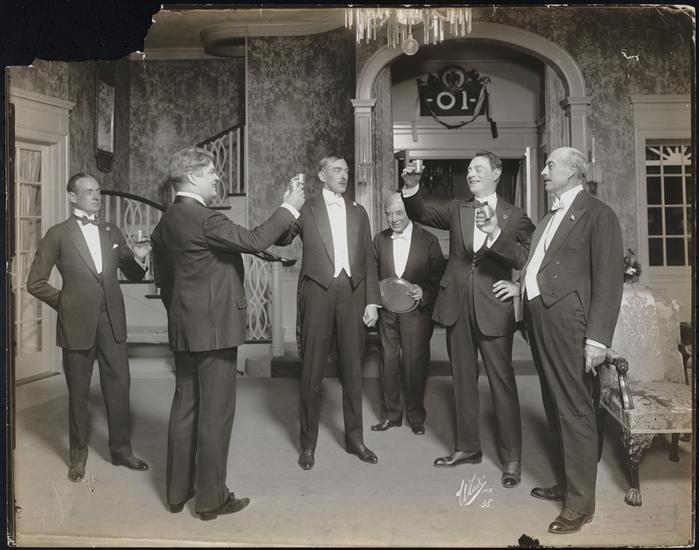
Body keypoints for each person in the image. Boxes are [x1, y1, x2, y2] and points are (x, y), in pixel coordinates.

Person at [151, 146, 305, 520]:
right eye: (211, 172)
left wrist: (185, 315)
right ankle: (211, 500)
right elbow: (253, 240)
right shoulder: (206, 218)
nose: (217, 177)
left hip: (184, 328)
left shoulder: (166, 223)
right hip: (216, 331)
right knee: (216, 415)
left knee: (185, 408)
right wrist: (290, 206)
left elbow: (166, 282)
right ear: (191, 176)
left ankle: (177, 493)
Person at [401, 151, 534, 488]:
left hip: (494, 309)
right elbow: (420, 212)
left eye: (478, 169)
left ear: (496, 173)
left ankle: (512, 459)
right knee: (462, 380)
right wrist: (412, 187)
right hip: (456, 306)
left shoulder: (514, 215)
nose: (471, 174)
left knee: (502, 384)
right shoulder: (457, 208)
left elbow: (534, 255)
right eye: (470, 169)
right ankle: (467, 447)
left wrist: (519, 287)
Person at [522, 146, 623, 534]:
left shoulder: (599, 214)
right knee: (554, 403)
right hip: (541, 321)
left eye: (550, 165)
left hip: (570, 324)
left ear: (574, 171)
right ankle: (568, 483)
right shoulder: (550, 216)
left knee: (576, 407)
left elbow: (609, 281)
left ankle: (580, 505)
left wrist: (597, 339)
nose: (544, 171)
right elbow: (538, 265)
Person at [27, 173, 150, 482]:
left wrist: (139, 258)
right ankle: (78, 457)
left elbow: (134, 274)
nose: (97, 197)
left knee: (119, 387)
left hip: (113, 322)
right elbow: (35, 283)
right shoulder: (57, 234)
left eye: (98, 191)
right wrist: (66, 303)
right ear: (73, 197)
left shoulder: (111, 231)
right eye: (89, 192)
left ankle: (121, 450)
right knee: (79, 393)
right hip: (76, 323)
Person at [276, 155, 380, 470]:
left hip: (353, 294)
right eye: (337, 170)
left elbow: (369, 259)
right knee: (311, 371)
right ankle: (307, 444)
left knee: (353, 370)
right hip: (317, 294)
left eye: (346, 171)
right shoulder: (307, 209)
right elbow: (282, 238)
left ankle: (355, 439)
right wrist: (287, 205)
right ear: (322, 175)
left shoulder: (359, 212)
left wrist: (371, 301)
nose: (344, 175)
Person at [371, 193, 445, 435]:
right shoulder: (379, 241)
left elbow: (440, 278)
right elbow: (371, 275)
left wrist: (424, 292)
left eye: (399, 213)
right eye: (389, 214)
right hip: (387, 313)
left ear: (409, 212)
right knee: (388, 362)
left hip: (416, 314)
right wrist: (372, 303)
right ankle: (391, 415)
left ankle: (415, 416)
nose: (393, 219)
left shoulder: (429, 240)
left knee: (415, 364)